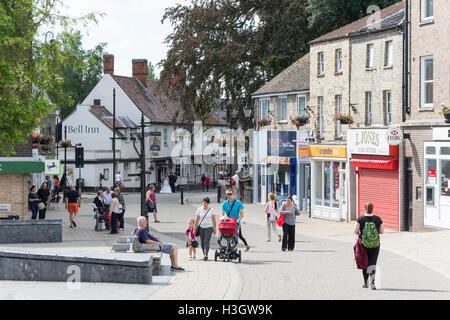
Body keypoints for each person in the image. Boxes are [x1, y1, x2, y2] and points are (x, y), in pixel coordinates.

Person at [354, 202, 384, 290]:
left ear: (365, 208)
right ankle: (373, 283)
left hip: (363, 245)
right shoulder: (378, 219)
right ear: (372, 209)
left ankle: (366, 283)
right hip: (375, 245)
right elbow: (382, 232)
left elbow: (355, 231)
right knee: (372, 264)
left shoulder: (360, 219)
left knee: (364, 263)